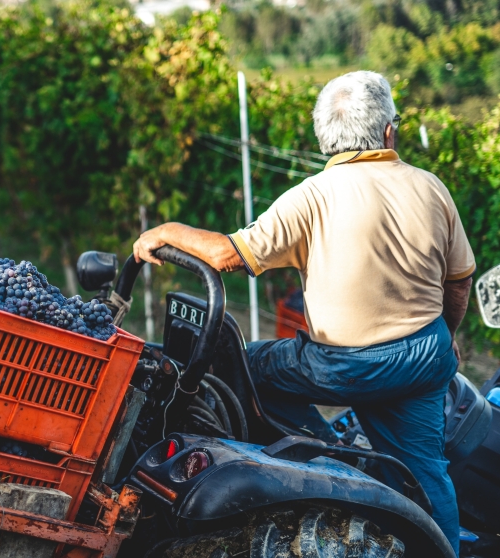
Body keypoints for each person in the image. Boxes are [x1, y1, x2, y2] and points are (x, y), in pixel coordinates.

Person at [133, 70, 473, 556]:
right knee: (426, 471)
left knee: (246, 366)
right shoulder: (431, 188)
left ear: (324, 139)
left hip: (343, 367)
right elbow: (458, 282)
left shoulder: (312, 196)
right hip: (422, 358)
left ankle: (317, 456)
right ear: (388, 132)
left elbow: (231, 255)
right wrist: (447, 335)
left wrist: (167, 230)